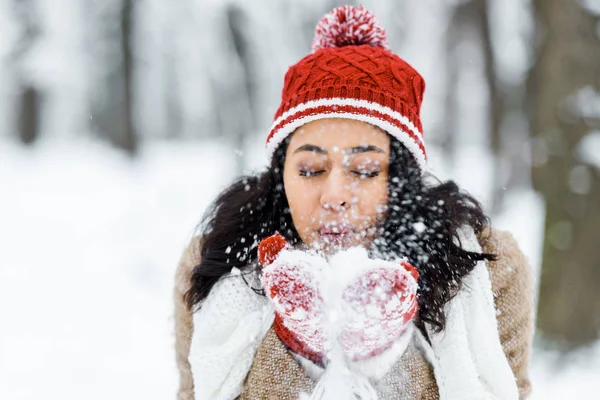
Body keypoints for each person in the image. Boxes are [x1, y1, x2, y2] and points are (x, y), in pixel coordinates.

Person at [173, 5, 534, 400]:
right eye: (311, 169)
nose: (335, 197)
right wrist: (299, 348)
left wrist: (384, 353)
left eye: (363, 170)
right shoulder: (217, 264)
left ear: (400, 180)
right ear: (281, 175)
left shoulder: (484, 269)